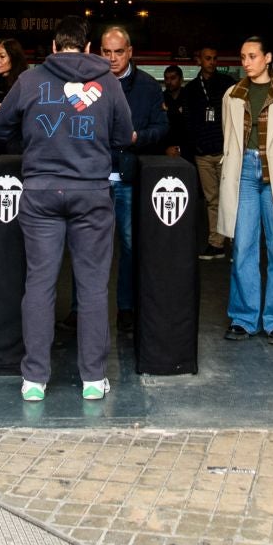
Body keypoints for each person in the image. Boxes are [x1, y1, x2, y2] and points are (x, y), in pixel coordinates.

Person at [0, 15, 133, 403]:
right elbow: (123, 136)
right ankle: (92, 379)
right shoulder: (107, 82)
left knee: (39, 283)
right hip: (91, 194)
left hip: (39, 192)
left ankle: (34, 380)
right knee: (91, 287)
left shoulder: (30, 80)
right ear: (88, 48)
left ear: (54, 47)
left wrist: (32, 138)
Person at [219, 37, 273, 345]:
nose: (246, 61)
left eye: (253, 56)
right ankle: (243, 318)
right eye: (243, 56)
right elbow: (228, 137)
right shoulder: (232, 94)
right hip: (243, 171)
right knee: (243, 246)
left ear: (267, 58)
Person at [100, 25, 167, 332]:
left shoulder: (149, 87)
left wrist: (138, 137)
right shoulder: (89, 84)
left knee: (129, 246)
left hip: (128, 178)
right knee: (87, 248)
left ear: (129, 52)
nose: (112, 58)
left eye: (118, 52)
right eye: (106, 52)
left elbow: (162, 128)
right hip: (95, 179)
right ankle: (81, 311)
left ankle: (126, 307)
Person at [185, 46, 231, 260]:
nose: (212, 62)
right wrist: (196, 145)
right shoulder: (192, 88)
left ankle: (235, 241)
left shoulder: (227, 84)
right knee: (212, 199)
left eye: (214, 58)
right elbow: (189, 120)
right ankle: (216, 242)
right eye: (208, 58)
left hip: (225, 151)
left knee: (230, 197)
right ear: (199, 60)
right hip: (203, 153)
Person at [161, 64, 191, 158]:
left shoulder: (189, 97)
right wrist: (164, 149)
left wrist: (181, 149)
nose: (169, 81)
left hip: (188, 150)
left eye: (173, 78)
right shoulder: (160, 98)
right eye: (166, 78)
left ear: (181, 79)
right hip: (165, 150)